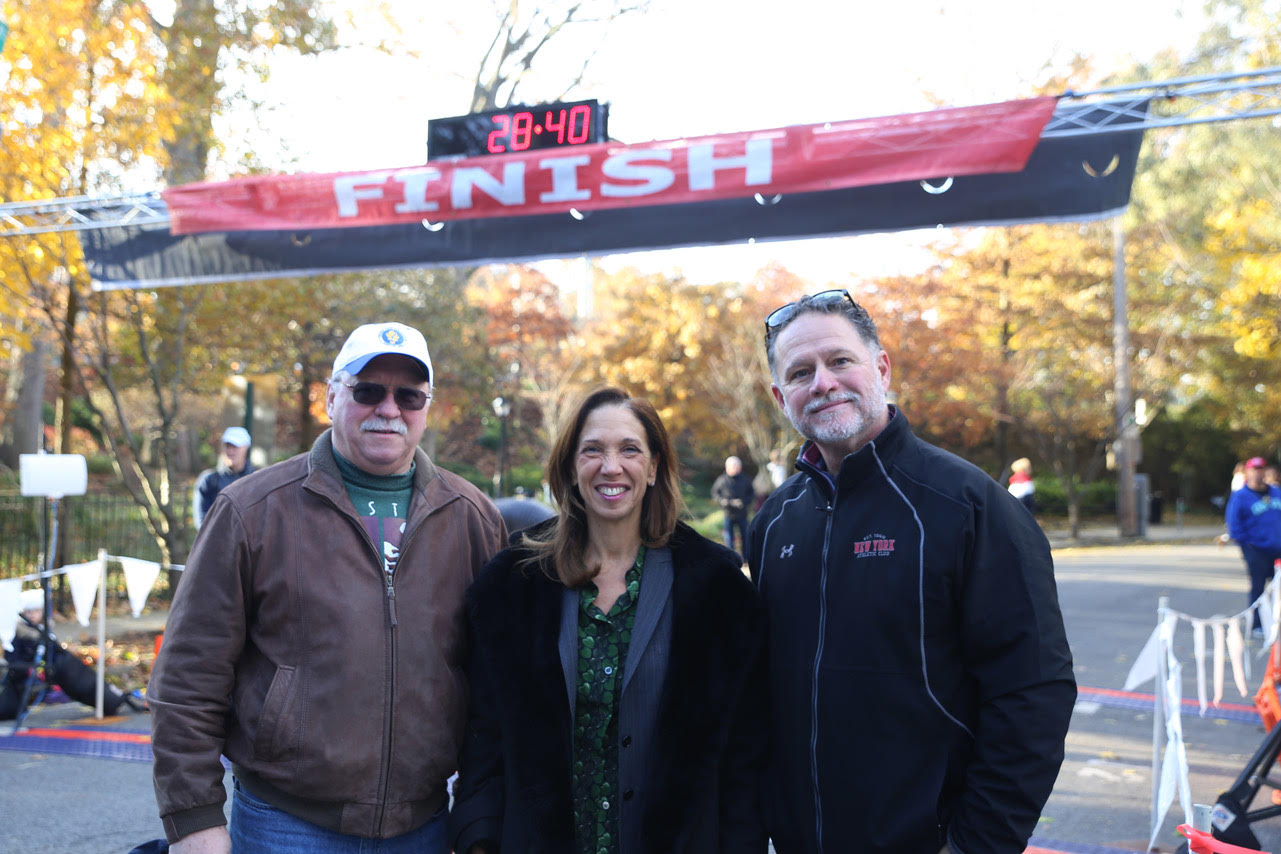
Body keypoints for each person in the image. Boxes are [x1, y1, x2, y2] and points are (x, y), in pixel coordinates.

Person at [148, 321, 507, 854]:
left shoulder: (471, 516)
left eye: (408, 395)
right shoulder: (252, 510)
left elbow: (495, 684)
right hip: (284, 825)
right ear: (331, 396)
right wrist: (193, 820)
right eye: (367, 391)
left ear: (426, 408)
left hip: (425, 826)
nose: (389, 409)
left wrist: (478, 815)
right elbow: (187, 676)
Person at [746, 290, 1076, 854]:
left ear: (881, 367)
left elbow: (1033, 693)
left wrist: (975, 845)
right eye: (800, 372)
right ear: (782, 397)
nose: (822, 382)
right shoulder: (774, 521)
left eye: (840, 360)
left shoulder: (972, 506)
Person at [450, 387, 768, 854]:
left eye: (630, 450)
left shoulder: (715, 587)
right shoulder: (514, 584)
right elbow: (485, 734)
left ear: (655, 467)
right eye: (593, 450)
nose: (611, 466)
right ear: (570, 467)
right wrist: (477, 834)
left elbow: (743, 750)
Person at [1225, 456, 1281, 635]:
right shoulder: (1241, 496)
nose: (1258, 473)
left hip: (1278, 548)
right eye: (1254, 470)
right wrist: (1247, 546)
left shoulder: (1276, 493)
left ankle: (1275, 621)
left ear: (1265, 472)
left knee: (1277, 587)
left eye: (1261, 469)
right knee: (1258, 587)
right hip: (1255, 550)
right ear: (1247, 472)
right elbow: (1234, 525)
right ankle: (1257, 624)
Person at [191, 426, 254, 529]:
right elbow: (201, 522)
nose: (230, 451)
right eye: (227, 446)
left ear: (246, 448)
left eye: (235, 446)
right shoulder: (208, 480)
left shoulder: (256, 480)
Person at [711, 455, 754, 556]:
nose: (735, 468)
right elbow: (715, 493)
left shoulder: (745, 479)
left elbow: (751, 494)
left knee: (745, 537)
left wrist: (743, 503)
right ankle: (731, 557)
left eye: (737, 466)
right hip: (728, 513)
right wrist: (723, 501)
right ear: (727, 467)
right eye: (733, 466)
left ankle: (746, 558)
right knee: (729, 538)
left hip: (742, 513)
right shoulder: (721, 480)